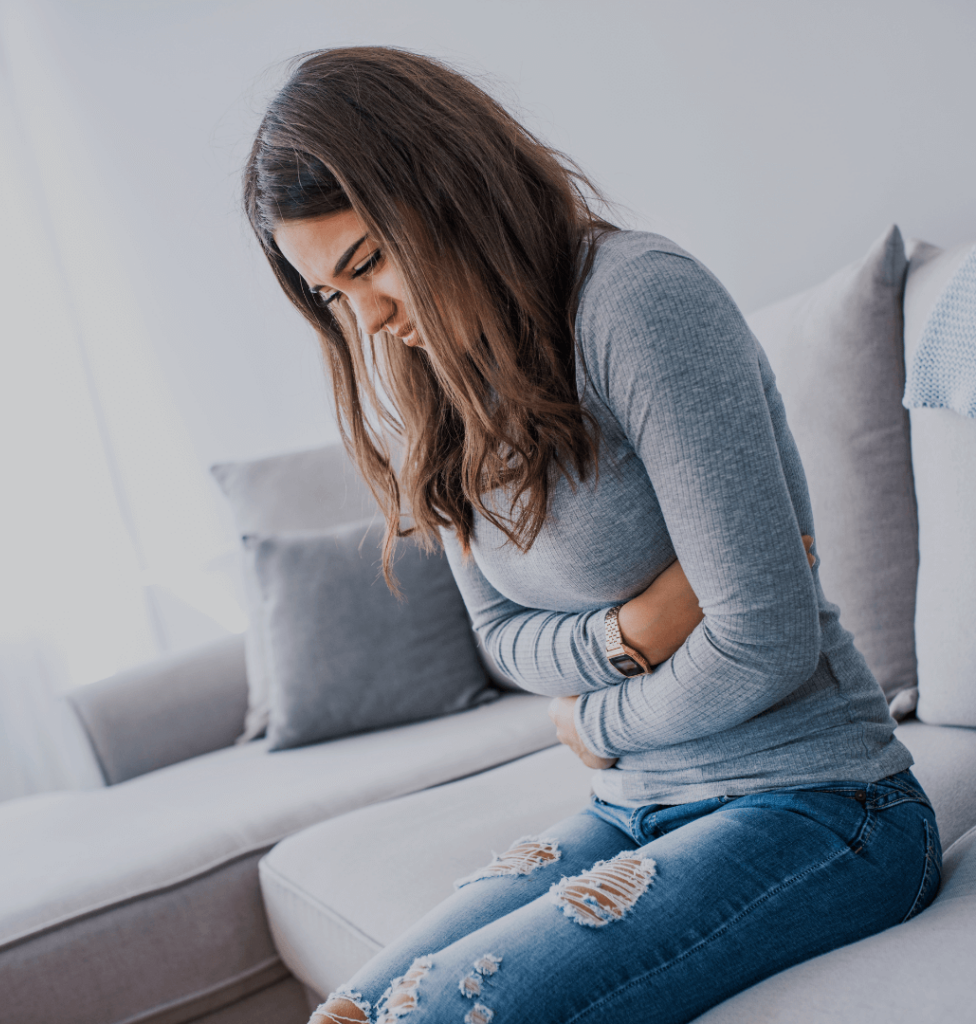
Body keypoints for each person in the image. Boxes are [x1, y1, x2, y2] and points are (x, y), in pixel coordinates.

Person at [243, 46, 940, 1024]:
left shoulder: (636, 299)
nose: (367, 318)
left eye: (367, 263)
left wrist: (590, 722)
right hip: (632, 809)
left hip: (825, 802)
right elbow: (501, 634)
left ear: (448, 190)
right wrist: (634, 633)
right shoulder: (434, 384)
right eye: (332, 295)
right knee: (352, 1011)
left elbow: (766, 642)